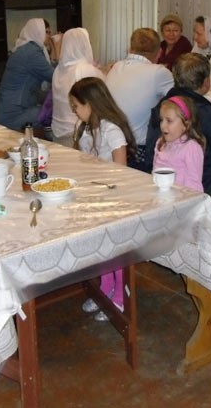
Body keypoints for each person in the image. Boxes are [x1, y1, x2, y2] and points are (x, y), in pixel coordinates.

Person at [68, 77, 137, 322]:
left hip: (114, 197)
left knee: (114, 249)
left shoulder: (111, 130)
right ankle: (105, 287)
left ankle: (119, 295)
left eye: (76, 106)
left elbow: (121, 170)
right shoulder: (85, 128)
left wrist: (106, 192)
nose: (74, 111)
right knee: (100, 248)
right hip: (94, 195)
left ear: (91, 103)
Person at [143, 53, 211, 201]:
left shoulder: (162, 107)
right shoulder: (208, 113)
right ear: (206, 82)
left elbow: (151, 153)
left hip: (162, 184)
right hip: (205, 187)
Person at [106, 28, 174, 168]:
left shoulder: (116, 67)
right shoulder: (159, 72)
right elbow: (179, 101)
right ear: (159, 52)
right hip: (138, 151)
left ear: (130, 49)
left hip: (108, 146)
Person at [0, 18, 61, 131]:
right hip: (13, 115)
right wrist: (57, 47)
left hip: (7, 110)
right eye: (47, 32)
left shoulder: (26, 49)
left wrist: (53, 48)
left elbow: (49, 72)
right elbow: (57, 77)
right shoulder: (32, 53)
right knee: (57, 112)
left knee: (52, 107)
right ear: (38, 32)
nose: (50, 36)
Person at [50, 28, 105, 145]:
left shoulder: (58, 69)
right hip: (76, 134)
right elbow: (103, 89)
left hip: (57, 133)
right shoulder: (84, 69)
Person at [153, 95, 206, 191]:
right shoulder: (160, 143)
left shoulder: (191, 148)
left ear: (186, 125)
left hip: (182, 198)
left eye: (169, 121)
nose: (163, 125)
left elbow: (194, 186)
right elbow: (154, 175)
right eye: (161, 120)